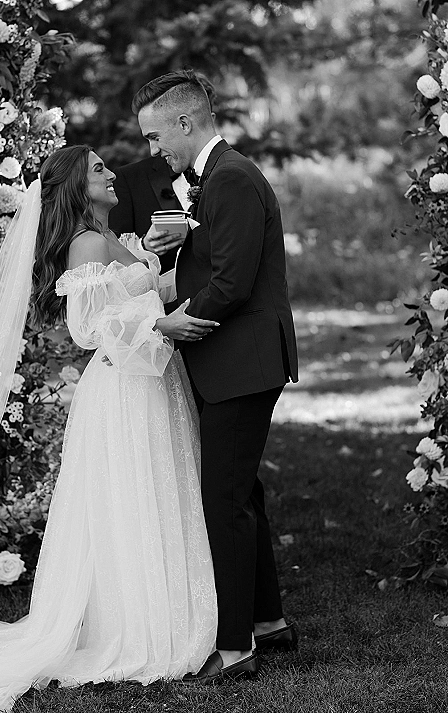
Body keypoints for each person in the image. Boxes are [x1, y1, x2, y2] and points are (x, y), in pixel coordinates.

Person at [0, 145, 220, 713]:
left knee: (157, 493)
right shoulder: (85, 242)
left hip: (152, 382)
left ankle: (172, 614)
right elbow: (90, 328)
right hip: (125, 391)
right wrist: (165, 322)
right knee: (134, 500)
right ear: (80, 188)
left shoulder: (113, 239)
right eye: (98, 169)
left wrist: (167, 269)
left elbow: (132, 297)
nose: (111, 174)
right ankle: (145, 629)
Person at [134, 70, 299, 684]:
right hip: (240, 360)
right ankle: (268, 624)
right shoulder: (218, 178)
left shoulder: (229, 179)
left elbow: (232, 282)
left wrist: (176, 322)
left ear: (186, 122)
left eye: (156, 137)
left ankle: (234, 649)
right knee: (243, 492)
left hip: (242, 362)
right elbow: (219, 262)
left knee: (223, 501)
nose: (155, 150)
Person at [109, 75, 217, 274]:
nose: (153, 150)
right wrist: (144, 247)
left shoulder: (225, 174)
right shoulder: (129, 179)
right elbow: (109, 255)